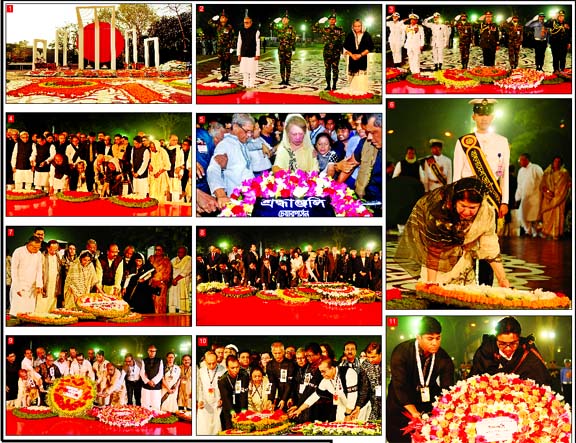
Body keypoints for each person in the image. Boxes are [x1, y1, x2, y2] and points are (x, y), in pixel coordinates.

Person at [397, 177, 510, 286]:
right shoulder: (441, 213)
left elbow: (490, 247)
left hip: (463, 264)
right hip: (437, 267)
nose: (466, 212)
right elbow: (434, 251)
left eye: (472, 208)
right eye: (463, 206)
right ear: (455, 201)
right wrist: (431, 283)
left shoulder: (486, 213)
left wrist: (502, 279)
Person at [453, 98, 510, 285]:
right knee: (466, 243)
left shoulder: (502, 141)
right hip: (467, 200)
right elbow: (457, 174)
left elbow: (504, 174)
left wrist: (504, 201)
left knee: (488, 245)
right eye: (480, 114)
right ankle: (466, 284)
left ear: (492, 117)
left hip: (491, 200)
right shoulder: (464, 142)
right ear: (474, 116)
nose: (484, 118)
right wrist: (455, 201)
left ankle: (486, 286)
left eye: (487, 114)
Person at [386, 316, 455, 443]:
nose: (435, 343)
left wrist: (445, 408)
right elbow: (399, 385)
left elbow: (447, 387)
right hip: (401, 403)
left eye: (438, 338)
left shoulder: (443, 357)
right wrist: (414, 412)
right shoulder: (401, 352)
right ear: (418, 337)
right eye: (430, 338)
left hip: (425, 402)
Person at [470, 316, 552, 387]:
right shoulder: (485, 352)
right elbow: (473, 381)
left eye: (513, 343)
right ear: (496, 339)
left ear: (519, 339)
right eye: (502, 344)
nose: (508, 348)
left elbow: (543, 383)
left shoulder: (528, 353)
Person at [207, 113, 255, 209]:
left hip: (248, 199)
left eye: (251, 132)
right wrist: (221, 195)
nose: (249, 135)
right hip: (234, 202)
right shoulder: (225, 145)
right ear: (236, 127)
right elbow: (213, 169)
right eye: (247, 131)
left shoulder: (242, 144)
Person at [289, 357, 358, 421]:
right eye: (320, 372)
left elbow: (353, 396)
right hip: (342, 406)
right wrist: (299, 410)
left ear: (332, 368)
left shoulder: (348, 373)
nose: (322, 374)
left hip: (356, 408)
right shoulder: (325, 380)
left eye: (324, 371)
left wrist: (348, 414)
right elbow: (315, 395)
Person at [9, 236, 43, 317]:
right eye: (35, 247)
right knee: (18, 310)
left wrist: (39, 285)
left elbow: (39, 270)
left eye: (39, 247)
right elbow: (14, 270)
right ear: (29, 245)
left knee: (30, 311)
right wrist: (17, 286)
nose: (37, 249)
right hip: (20, 283)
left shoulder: (38, 254)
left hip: (32, 285)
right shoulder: (18, 251)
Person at [312, 12, 345, 91]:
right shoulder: (325, 29)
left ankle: (334, 85)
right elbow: (314, 29)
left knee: (335, 69)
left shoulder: (340, 30)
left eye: (333, 19)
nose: (332, 21)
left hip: (336, 53)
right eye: (330, 19)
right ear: (329, 21)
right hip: (327, 53)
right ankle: (328, 85)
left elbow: (342, 41)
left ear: (335, 21)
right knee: (327, 69)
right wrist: (319, 22)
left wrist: (342, 51)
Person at [540, 156, 570, 240]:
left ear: (561, 163)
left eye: (559, 161)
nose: (557, 163)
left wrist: (555, 196)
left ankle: (556, 234)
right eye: (555, 161)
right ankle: (547, 233)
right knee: (547, 216)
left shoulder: (564, 173)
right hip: (547, 198)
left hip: (559, 199)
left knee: (558, 215)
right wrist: (547, 192)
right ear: (553, 162)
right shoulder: (547, 173)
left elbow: (563, 187)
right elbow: (542, 184)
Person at [350, 341, 382, 422]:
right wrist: (358, 407)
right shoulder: (365, 365)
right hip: (375, 405)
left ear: (381, 354)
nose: (370, 360)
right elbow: (364, 388)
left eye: (373, 357)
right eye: (368, 357)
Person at [515, 153, 544, 237]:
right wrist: (517, 198)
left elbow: (543, 181)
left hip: (536, 197)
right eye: (519, 160)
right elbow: (519, 185)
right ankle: (528, 231)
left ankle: (537, 232)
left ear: (526, 160)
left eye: (521, 160)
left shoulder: (536, 168)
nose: (519, 162)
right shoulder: (520, 171)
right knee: (524, 215)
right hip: (525, 198)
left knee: (535, 216)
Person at [197, 351, 225, 435]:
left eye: (214, 363)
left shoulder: (223, 370)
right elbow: (199, 387)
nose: (212, 366)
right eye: (209, 364)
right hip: (204, 403)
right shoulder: (201, 371)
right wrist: (200, 400)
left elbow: (226, 388)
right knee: (203, 428)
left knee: (217, 427)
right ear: (205, 361)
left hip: (217, 402)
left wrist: (222, 399)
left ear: (217, 360)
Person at [218, 355, 249, 430]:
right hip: (228, 409)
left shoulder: (244, 375)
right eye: (232, 368)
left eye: (237, 367)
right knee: (230, 430)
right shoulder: (222, 380)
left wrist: (243, 409)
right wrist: (231, 411)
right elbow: (225, 397)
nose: (235, 370)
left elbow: (244, 394)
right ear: (227, 367)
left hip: (241, 406)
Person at [343, 19, 374, 91]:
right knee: (352, 77)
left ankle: (361, 91)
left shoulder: (366, 35)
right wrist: (352, 55)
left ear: (362, 26)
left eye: (359, 26)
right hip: (352, 59)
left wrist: (360, 55)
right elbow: (345, 47)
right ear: (353, 27)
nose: (357, 28)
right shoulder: (350, 35)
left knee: (361, 77)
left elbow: (370, 47)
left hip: (363, 59)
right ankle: (353, 91)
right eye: (355, 26)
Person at [209, 10, 234, 82]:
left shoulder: (229, 27)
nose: (222, 19)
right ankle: (223, 75)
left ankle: (227, 75)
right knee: (221, 61)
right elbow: (209, 23)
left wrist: (231, 47)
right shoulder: (218, 26)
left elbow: (232, 37)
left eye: (223, 17)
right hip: (220, 47)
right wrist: (214, 18)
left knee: (227, 61)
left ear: (226, 19)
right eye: (221, 17)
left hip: (227, 47)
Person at [272, 12, 297, 85]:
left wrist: (293, 48)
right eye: (283, 19)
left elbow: (293, 38)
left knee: (288, 65)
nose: (284, 20)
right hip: (281, 49)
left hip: (288, 49)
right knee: (282, 65)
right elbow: (271, 26)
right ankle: (283, 79)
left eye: (286, 19)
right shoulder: (279, 28)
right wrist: (275, 21)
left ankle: (287, 80)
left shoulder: (291, 28)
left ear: (288, 20)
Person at [237, 16, 260, 88]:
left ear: (251, 23)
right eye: (244, 23)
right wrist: (238, 54)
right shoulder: (241, 31)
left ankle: (252, 83)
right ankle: (245, 83)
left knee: (252, 70)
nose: (245, 24)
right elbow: (239, 43)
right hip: (243, 53)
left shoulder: (256, 31)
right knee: (244, 69)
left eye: (247, 23)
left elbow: (258, 43)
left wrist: (257, 54)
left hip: (252, 53)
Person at [148, 245, 172, 315]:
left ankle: (160, 321)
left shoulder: (166, 260)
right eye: (156, 249)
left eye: (159, 250)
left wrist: (161, 282)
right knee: (151, 303)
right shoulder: (151, 258)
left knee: (159, 303)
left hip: (161, 284)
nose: (157, 251)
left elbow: (168, 273)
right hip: (151, 284)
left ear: (163, 251)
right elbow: (147, 270)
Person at [168, 246, 192, 313]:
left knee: (181, 303)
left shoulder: (189, 260)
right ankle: (172, 316)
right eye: (179, 252)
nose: (180, 253)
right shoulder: (173, 260)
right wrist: (171, 280)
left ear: (185, 253)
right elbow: (169, 270)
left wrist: (175, 279)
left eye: (182, 252)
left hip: (183, 282)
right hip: (173, 283)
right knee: (173, 300)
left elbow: (186, 272)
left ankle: (183, 316)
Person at [140, 345, 164, 411]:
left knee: (156, 403)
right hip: (146, 385)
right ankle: (145, 417)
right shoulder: (144, 360)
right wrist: (148, 381)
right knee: (145, 403)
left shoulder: (160, 360)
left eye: (154, 351)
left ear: (155, 352)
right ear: (148, 351)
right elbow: (142, 373)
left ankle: (155, 417)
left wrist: (153, 381)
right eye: (150, 351)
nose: (152, 352)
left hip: (156, 385)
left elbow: (160, 373)